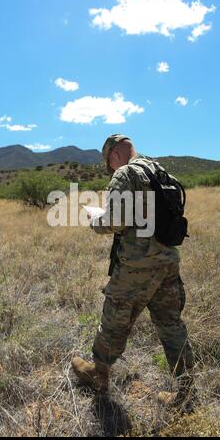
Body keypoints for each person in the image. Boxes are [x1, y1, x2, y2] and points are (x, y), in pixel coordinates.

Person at [72, 134, 195, 410]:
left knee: (113, 321)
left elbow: (115, 219)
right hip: (167, 263)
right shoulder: (158, 170)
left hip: (136, 268)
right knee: (171, 326)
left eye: (109, 163)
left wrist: (94, 219)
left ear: (113, 155)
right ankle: (186, 392)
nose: (111, 169)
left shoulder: (125, 174)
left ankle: (98, 376)